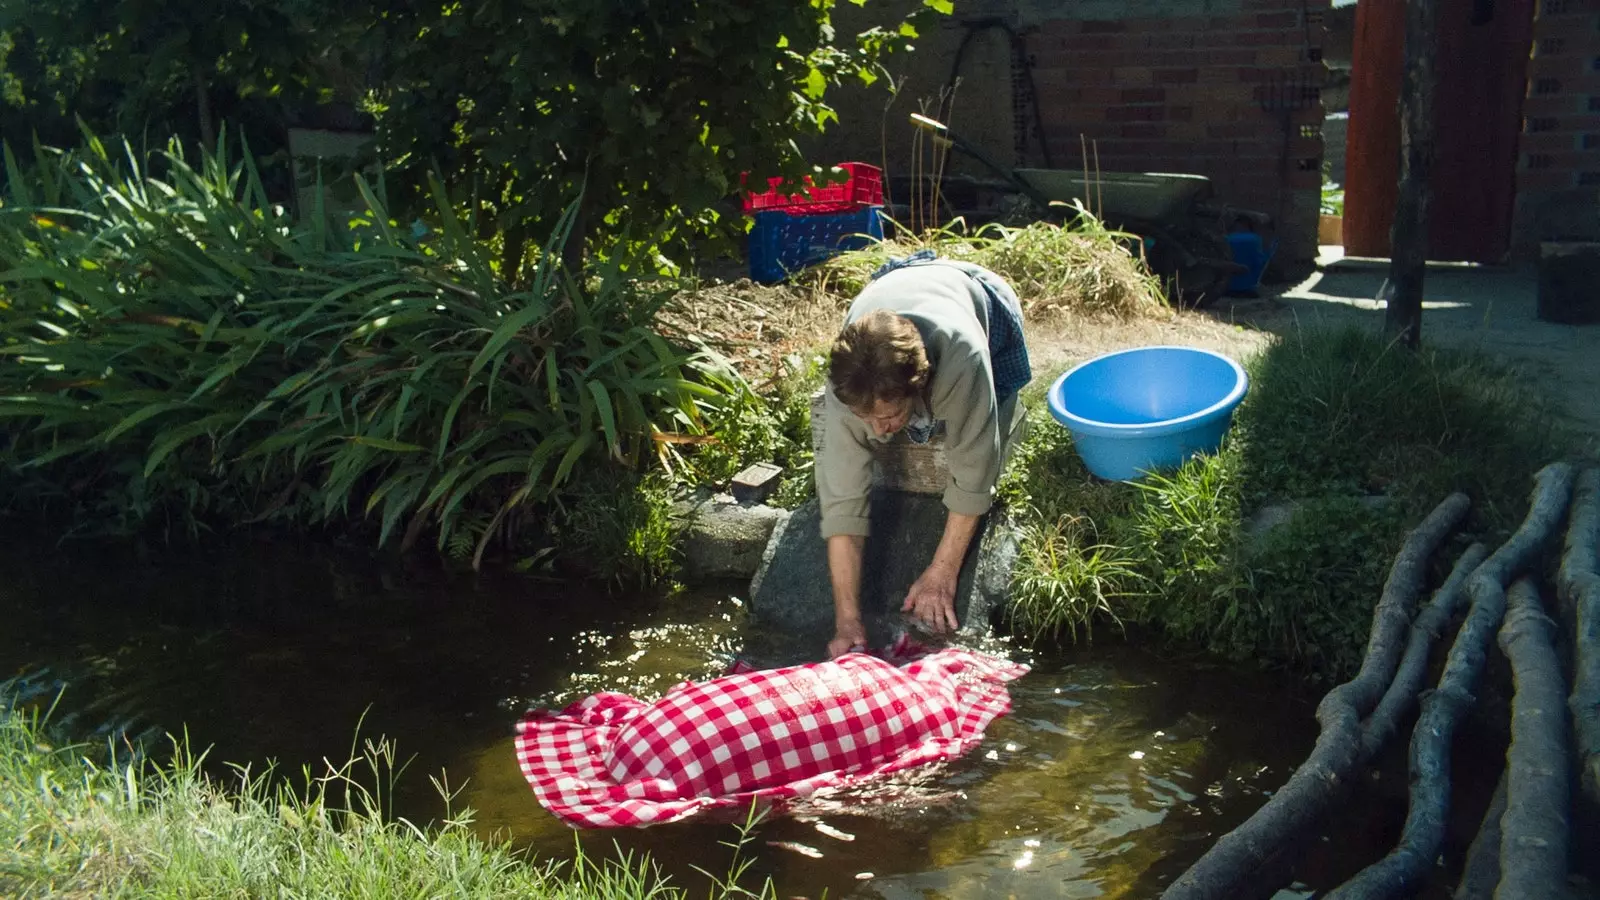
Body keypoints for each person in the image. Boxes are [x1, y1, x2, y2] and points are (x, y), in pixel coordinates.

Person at [816, 250, 1032, 658]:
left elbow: (974, 473)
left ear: (920, 383)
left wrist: (941, 574)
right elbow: (843, 502)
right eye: (869, 419)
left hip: (979, 296)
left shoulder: (961, 357)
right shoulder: (847, 385)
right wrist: (847, 620)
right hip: (892, 289)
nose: (879, 430)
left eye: (890, 415)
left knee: (991, 418)